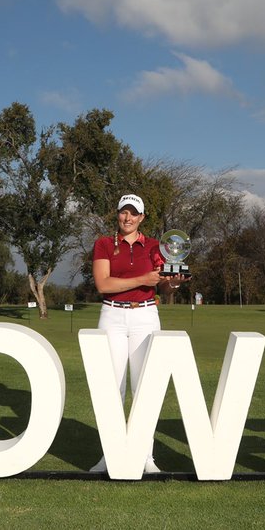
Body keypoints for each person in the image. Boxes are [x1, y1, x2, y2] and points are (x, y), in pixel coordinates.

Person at [90, 193, 186, 475]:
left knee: (145, 387)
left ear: (142, 217)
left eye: (134, 213)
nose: (128, 218)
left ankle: (146, 457)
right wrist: (144, 280)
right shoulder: (104, 244)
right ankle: (110, 456)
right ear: (117, 214)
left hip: (145, 315)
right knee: (113, 387)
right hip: (112, 315)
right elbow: (103, 284)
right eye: (123, 212)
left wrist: (174, 284)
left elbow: (164, 286)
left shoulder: (157, 246)